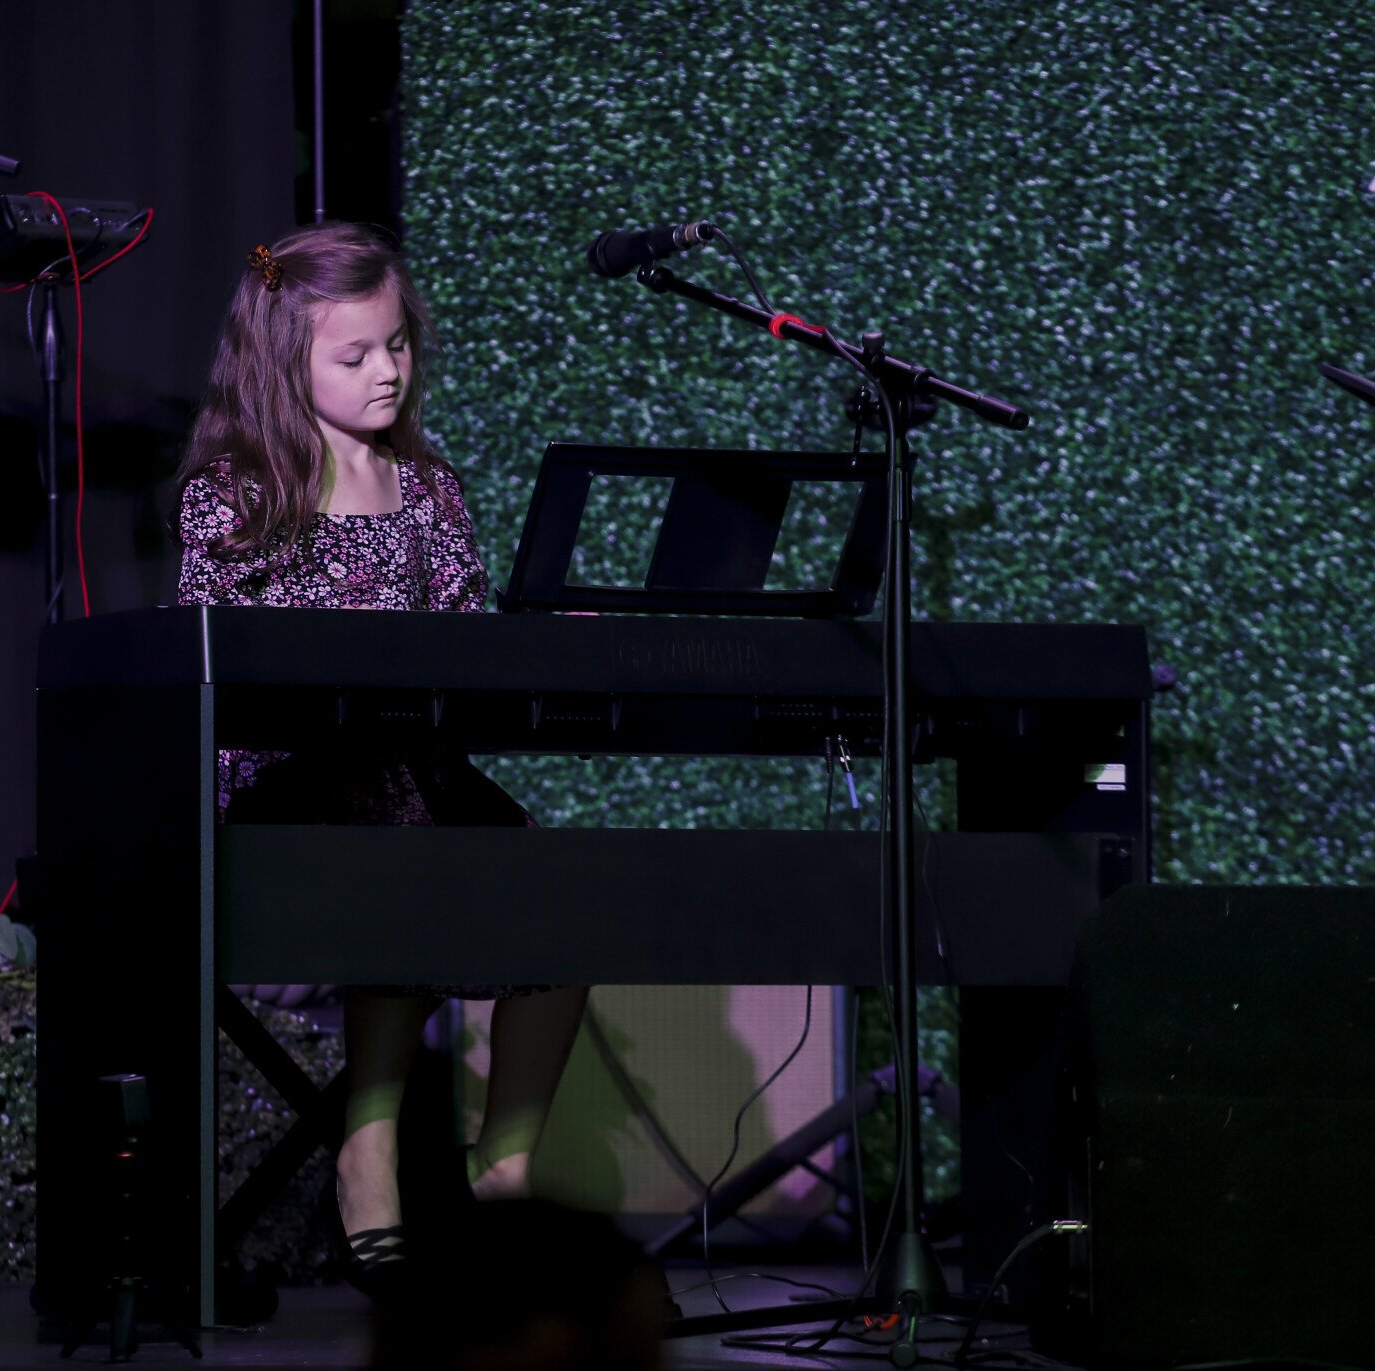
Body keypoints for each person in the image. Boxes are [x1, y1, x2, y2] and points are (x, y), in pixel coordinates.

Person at [173, 221, 588, 1294]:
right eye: (353, 354)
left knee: (559, 892)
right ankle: (367, 1151)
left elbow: (459, 636)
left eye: (396, 346)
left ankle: (501, 1169)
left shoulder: (429, 489)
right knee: (399, 841)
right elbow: (224, 668)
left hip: (411, 773)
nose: (387, 371)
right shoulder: (241, 490)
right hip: (288, 788)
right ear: (281, 360)